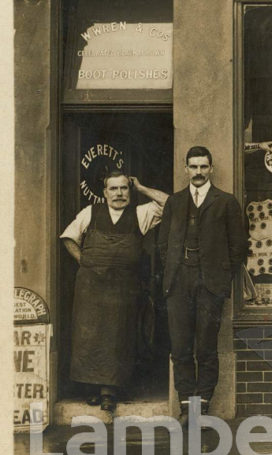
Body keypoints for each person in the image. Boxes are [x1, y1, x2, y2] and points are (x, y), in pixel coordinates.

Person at [60, 172, 168, 413]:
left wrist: (142, 187)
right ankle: (91, 388)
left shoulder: (141, 213)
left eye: (124, 189)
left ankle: (109, 392)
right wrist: (85, 261)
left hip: (123, 288)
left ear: (130, 192)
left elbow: (170, 204)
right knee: (89, 336)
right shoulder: (90, 212)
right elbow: (68, 237)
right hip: (91, 286)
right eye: (114, 189)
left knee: (118, 337)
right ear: (104, 192)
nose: (119, 194)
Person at [157, 146, 247, 426]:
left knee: (206, 346)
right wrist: (172, 271)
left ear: (211, 169)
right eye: (193, 167)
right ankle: (186, 405)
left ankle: (202, 404)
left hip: (210, 283)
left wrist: (221, 279)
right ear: (186, 169)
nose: (198, 172)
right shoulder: (175, 202)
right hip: (179, 280)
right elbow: (162, 243)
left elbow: (239, 247)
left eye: (203, 167)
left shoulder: (226, 202)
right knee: (181, 345)